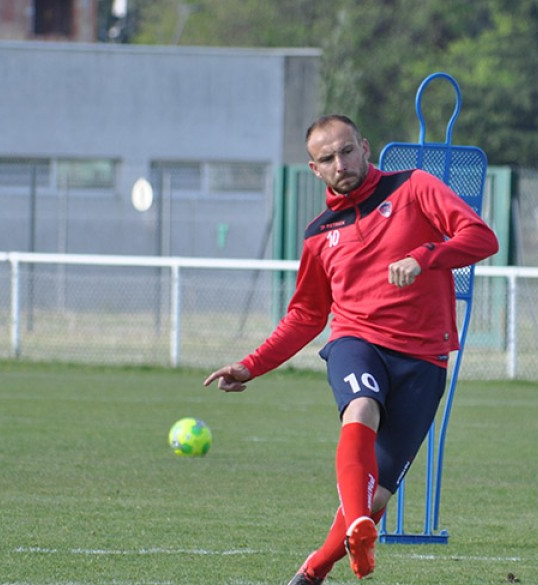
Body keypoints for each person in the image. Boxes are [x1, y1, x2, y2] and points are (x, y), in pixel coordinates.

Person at [202, 114, 499, 584]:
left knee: (377, 496)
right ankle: (360, 522)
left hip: (425, 359)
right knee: (360, 408)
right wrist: (250, 366)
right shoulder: (319, 235)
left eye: (346, 151)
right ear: (314, 169)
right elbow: (306, 316)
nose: (340, 164)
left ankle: (314, 570)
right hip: (356, 341)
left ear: (365, 147)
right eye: (327, 159)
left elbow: (482, 238)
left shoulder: (414, 187)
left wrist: (424, 257)